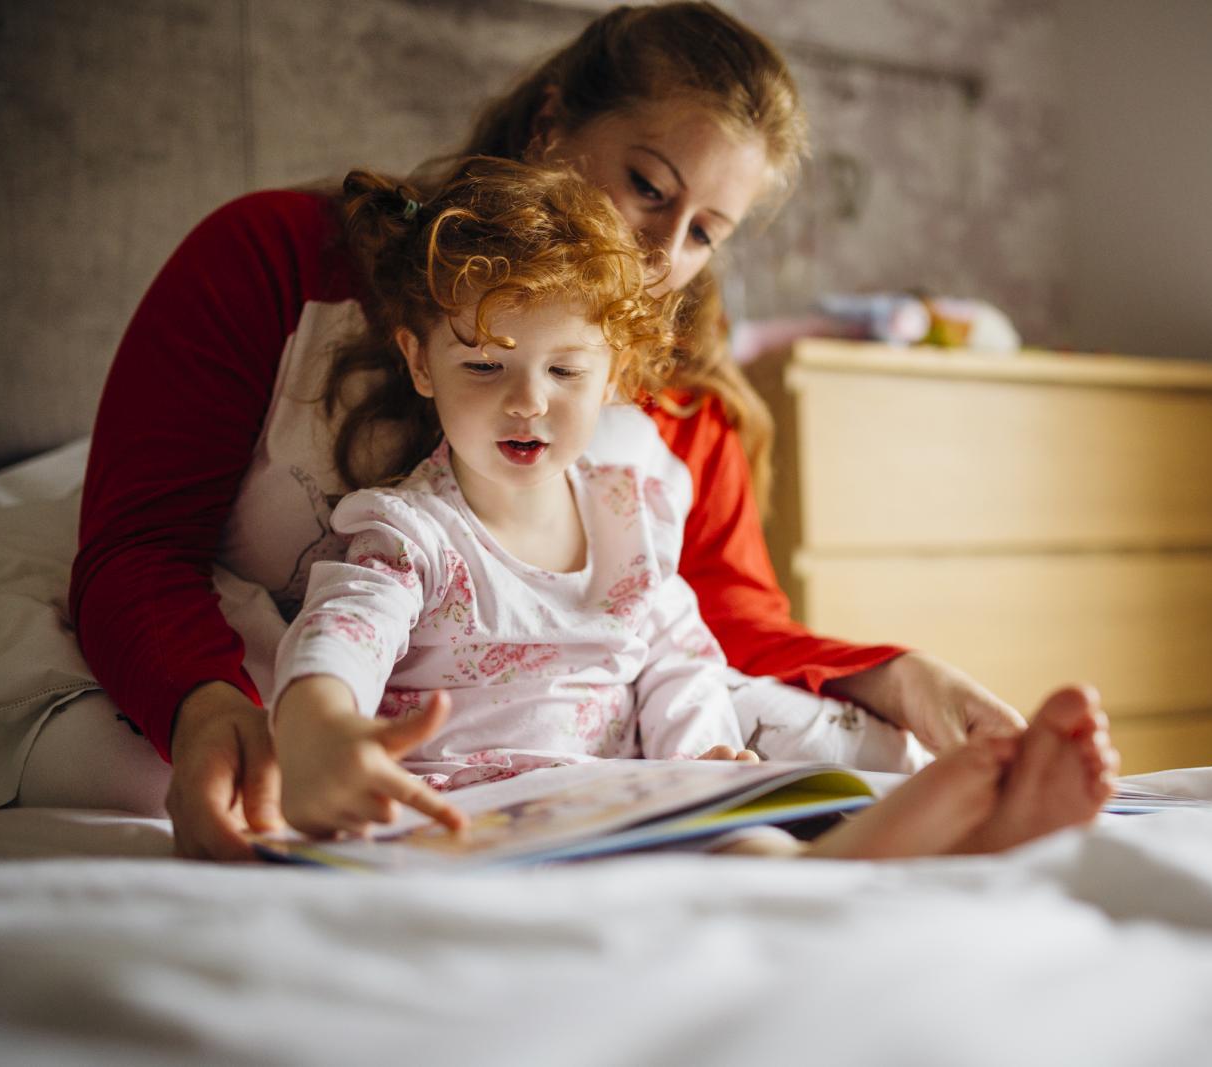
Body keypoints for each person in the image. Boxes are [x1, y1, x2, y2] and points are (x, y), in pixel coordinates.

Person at [63, 2, 1032, 861]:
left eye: (704, 231)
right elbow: (140, 543)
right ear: (551, 123)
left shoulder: (674, 401)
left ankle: (879, 834)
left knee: (812, 732)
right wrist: (209, 708)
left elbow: (707, 612)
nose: (660, 253)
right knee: (135, 768)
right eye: (649, 186)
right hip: (288, 673)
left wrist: (895, 677)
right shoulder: (274, 257)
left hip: (573, 699)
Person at [270, 157, 1118, 854]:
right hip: (480, 815)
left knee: (746, 838)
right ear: (421, 364)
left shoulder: (625, 512)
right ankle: (907, 849)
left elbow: (678, 660)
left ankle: (945, 841)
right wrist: (320, 733)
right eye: (484, 368)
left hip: (631, 798)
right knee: (754, 864)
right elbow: (341, 636)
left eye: (565, 372)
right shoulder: (409, 533)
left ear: (613, 374)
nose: (527, 402)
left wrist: (703, 760)